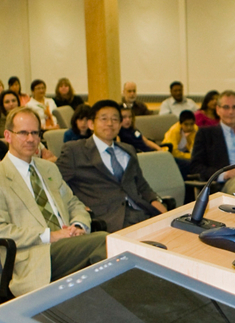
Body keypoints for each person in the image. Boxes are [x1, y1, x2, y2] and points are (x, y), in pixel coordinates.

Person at [0, 107, 107, 296]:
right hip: (34, 254)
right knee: (105, 242)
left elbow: (73, 203)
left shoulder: (49, 169)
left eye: (35, 133)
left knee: (106, 250)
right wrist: (50, 236)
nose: (30, 139)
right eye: (23, 133)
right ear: (8, 136)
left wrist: (79, 225)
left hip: (69, 243)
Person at [57, 100, 166, 234]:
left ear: (120, 125)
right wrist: (77, 208)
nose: (110, 123)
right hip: (106, 220)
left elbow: (141, 185)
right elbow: (56, 184)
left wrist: (156, 203)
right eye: (104, 119)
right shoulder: (75, 150)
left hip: (142, 213)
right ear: (91, 124)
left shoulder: (128, 150)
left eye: (115, 119)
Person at [189, 90, 235, 193]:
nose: (231, 112)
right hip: (226, 183)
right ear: (218, 110)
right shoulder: (206, 134)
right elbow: (195, 167)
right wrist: (224, 174)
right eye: (226, 107)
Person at [162, 109, 196, 176]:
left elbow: (195, 148)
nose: (189, 127)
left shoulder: (195, 129)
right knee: (188, 164)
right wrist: (190, 156)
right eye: (186, 124)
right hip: (170, 155)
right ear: (180, 124)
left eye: (191, 124)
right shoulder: (174, 131)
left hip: (186, 154)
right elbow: (173, 152)